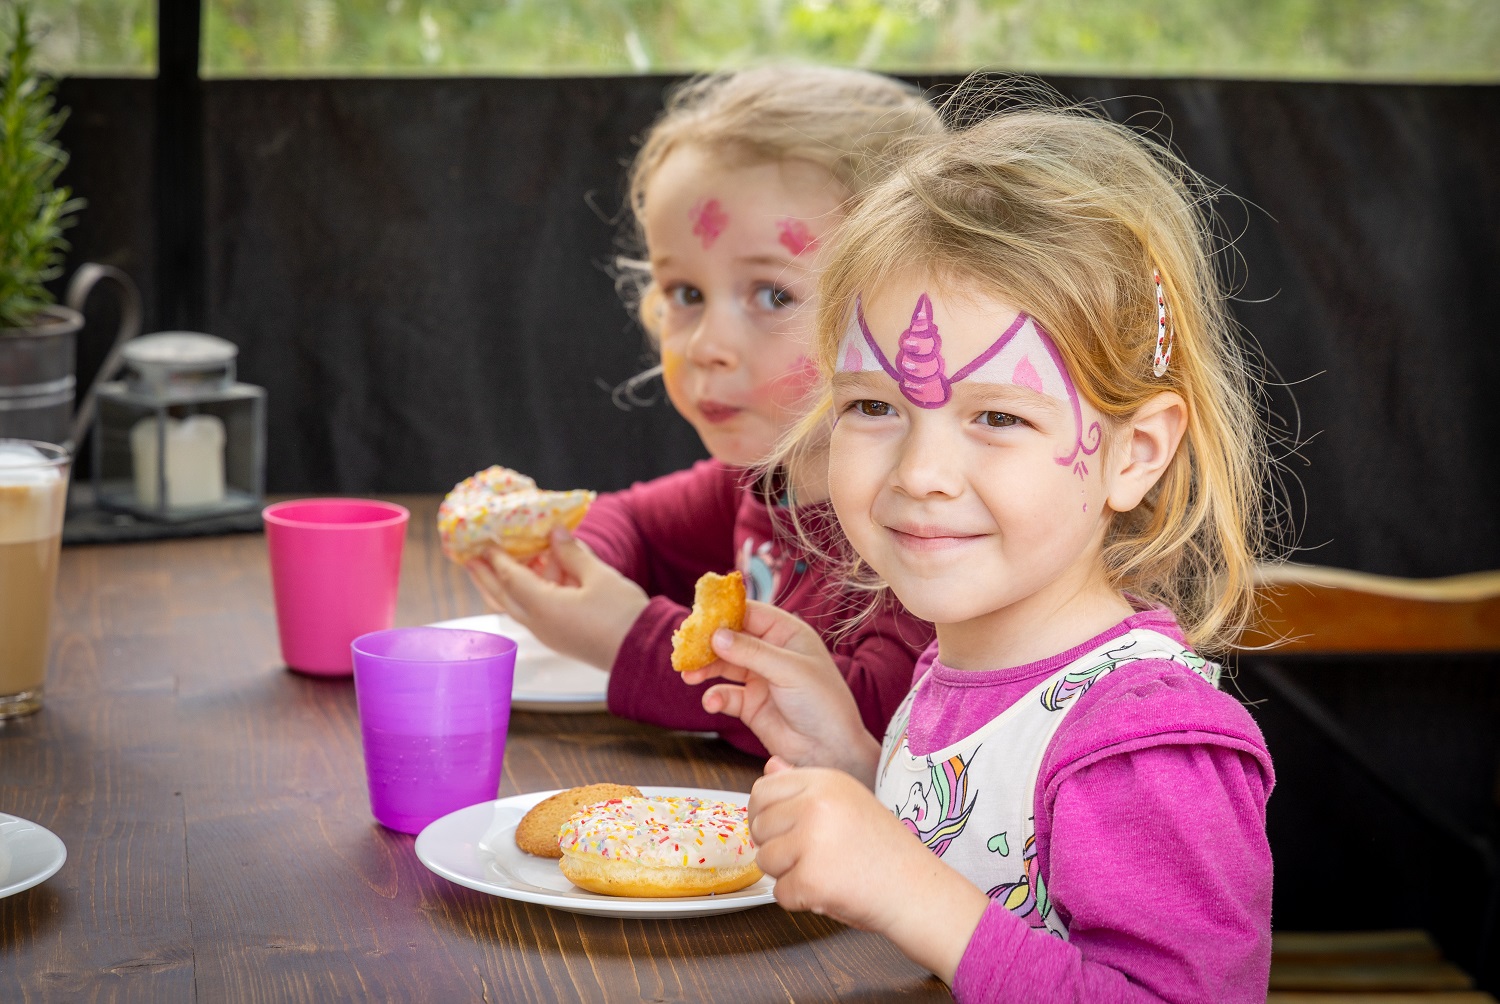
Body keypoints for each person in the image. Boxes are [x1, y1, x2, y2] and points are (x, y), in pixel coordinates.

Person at [682, 89, 1279, 1000]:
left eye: (997, 416)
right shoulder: (964, 669)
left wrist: (905, 887)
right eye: (873, 407)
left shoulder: (1140, 741)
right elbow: (978, 846)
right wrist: (845, 754)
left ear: (1136, 454)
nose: (921, 472)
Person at [466, 66, 943, 754]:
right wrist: (571, 565)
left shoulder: (925, 517)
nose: (707, 345)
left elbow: (872, 716)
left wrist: (626, 637)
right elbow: (629, 522)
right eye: (686, 293)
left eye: (772, 295)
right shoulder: (766, 479)